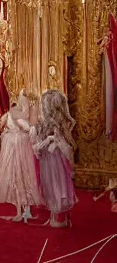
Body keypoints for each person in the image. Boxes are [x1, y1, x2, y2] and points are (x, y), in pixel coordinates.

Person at [0, 91, 43, 222]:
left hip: (14, 147)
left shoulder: (11, 114)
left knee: (20, 177)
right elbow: (26, 128)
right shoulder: (17, 115)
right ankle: (23, 210)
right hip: (18, 147)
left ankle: (22, 211)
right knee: (21, 176)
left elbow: (3, 127)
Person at [31, 90, 77, 228]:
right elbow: (36, 147)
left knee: (57, 184)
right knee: (51, 184)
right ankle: (56, 214)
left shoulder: (60, 125)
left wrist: (54, 141)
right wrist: (48, 141)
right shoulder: (42, 125)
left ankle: (60, 216)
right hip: (49, 159)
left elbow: (66, 147)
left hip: (55, 161)